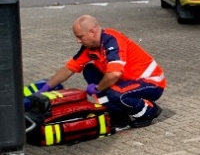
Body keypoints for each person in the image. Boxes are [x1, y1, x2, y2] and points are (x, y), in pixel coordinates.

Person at [37, 15, 166, 127]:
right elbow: (69, 68)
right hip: (127, 81)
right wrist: (47, 87)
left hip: (151, 83)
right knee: (89, 70)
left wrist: (98, 88)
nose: (78, 41)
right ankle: (117, 114)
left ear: (92, 32)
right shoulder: (89, 47)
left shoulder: (113, 41)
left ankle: (148, 110)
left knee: (115, 93)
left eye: (80, 37)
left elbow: (114, 74)